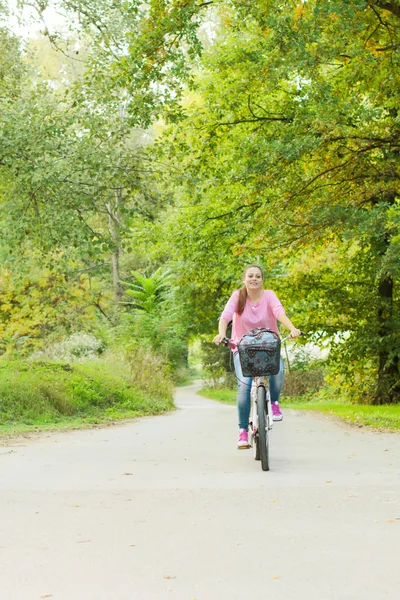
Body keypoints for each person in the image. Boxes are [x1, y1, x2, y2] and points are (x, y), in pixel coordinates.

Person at [213, 264, 301, 449]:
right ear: (244, 279)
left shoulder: (269, 295)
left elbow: (279, 312)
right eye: (250, 276)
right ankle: (243, 431)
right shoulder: (238, 296)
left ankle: (275, 402)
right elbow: (225, 317)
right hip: (242, 347)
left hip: (268, 346)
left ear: (262, 280)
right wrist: (222, 333)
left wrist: (292, 328)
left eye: (258, 276)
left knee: (278, 370)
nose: (254, 279)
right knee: (244, 385)